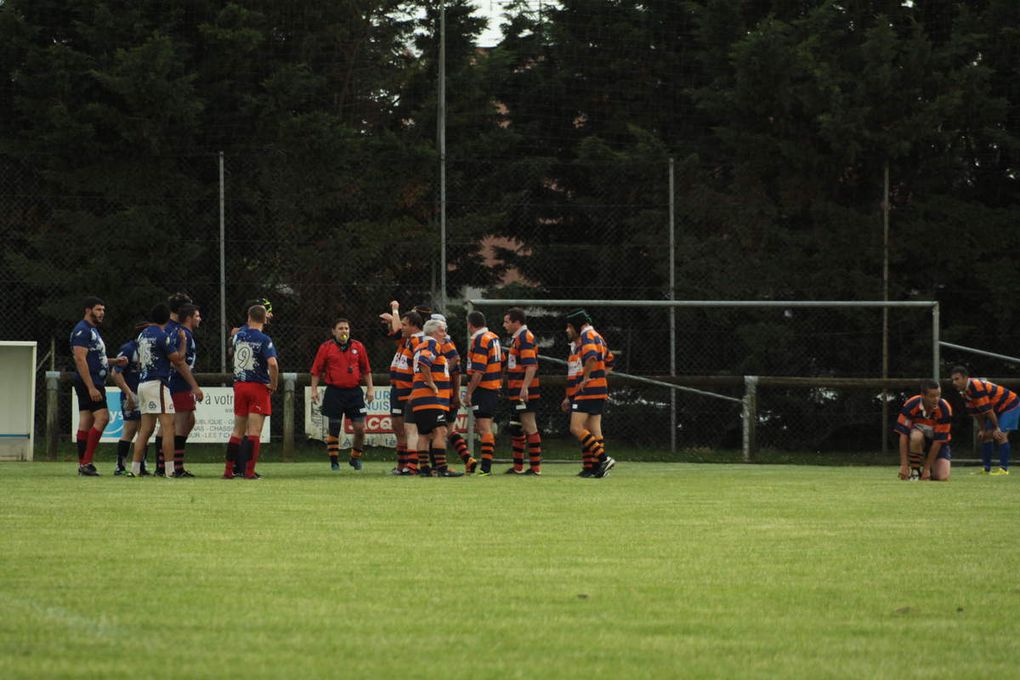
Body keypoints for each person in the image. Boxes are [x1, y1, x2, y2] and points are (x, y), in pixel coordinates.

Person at [128, 304, 203, 477]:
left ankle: (134, 468)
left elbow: (139, 361)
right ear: (166, 318)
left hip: (142, 383)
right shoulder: (162, 336)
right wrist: (183, 342)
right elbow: (178, 359)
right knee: (169, 426)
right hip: (158, 384)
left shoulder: (143, 335)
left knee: (145, 429)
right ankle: (169, 470)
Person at [70, 297, 127, 476]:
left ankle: (83, 465)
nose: (102, 313)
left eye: (103, 310)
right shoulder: (83, 330)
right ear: (88, 310)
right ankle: (86, 462)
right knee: (103, 418)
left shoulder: (91, 330)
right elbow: (80, 359)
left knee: (86, 421)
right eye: (98, 309)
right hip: (91, 382)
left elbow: (94, 358)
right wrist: (91, 387)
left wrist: (113, 361)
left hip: (92, 380)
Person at [223, 304, 279, 480]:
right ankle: (249, 472)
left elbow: (232, 349)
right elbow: (272, 363)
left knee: (237, 431)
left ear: (248, 317)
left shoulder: (238, 336)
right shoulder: (264, 339)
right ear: (264, 319)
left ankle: (228, 471)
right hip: (257, 386)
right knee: (254, 431)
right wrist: (274, 383)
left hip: (240, 385)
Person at [310, 318, 374, 472]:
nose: (344, 331)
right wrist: (313, 390)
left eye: (346, 328)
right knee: (334, 428)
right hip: (334, 391)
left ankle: (355, 458)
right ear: (334, 331)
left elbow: (366, 369)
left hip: (354, 392)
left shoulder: (358, 346)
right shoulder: (326, 347)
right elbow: (316, 370)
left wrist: (370, 389)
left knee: (360, 428)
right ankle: (334, 462)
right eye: (340, 328)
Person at [563, 309, 616, 478]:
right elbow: (610, 360)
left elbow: (592, 357)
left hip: (588, 390)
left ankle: (604, 459)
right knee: (594, 429)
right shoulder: (598, 336)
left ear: (577, 326)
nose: (567, 330)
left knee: (576, 427)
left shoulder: (587, 336)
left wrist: (586, 377)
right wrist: (599, 376)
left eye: (569, 327)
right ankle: (595, 468)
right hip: (599, 389)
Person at [408, 319, 463, 477]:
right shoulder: (433, 344)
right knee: (440, 431)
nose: (444, 334)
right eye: (441, 331)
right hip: (430, 397)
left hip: (420, 396)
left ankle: (425, 469)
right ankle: (442, 469)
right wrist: (431, 383)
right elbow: (424, 362)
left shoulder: (419, 345)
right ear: (432, 332)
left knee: (424, 434)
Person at [380, 303, 424, 474]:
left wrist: (395, 310)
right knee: (398, 426)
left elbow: (397, 330)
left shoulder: (417, 340)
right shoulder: (406, 340)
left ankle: (414, 464)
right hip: (397, 388)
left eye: (405, 324)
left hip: (409, 389)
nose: (400, 328)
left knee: (411, 428)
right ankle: (402, 464)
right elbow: (397, 330)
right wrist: (393, 319)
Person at [950, 366, 1018, 475]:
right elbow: (976, 413)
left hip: (1010, 404)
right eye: (952, 380)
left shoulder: (976, 387)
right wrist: (982, 429)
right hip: (997, 409)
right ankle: (987, 469)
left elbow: (988, 411)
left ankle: (1004, 469)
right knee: (985, 435)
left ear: (966, 378)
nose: (954, 382)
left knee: (1000, 435)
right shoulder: (964, 392)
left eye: (957, 379)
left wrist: (997, 427)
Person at [153, 292, 192, 476]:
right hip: (175, 382)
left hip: (168, 381)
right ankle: (171, 467)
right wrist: (194, 384)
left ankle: (163, 466)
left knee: (181, 421)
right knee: (176, 423)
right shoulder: (176, 330)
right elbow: (178, 361)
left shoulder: (167, 327)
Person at [502, 307, 542, 475]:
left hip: (524, 391)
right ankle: (518, 467)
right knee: (516, 427)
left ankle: (535, 468)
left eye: (507, 322)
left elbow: (531, 365)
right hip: (516, 390)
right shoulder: (517, 338)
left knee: (529, 425)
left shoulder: (525, 337)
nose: (504, 325)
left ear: (517, 323)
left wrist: (524, 387)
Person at [464, 311, 501, 475]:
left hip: (484, 388)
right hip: (493, 387)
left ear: (470, 325)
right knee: (485, 427)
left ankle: (486, 468)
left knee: (484, 427)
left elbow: (479, 370)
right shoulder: (493, 337)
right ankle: (486, 466)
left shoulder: (480, 340)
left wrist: (469, 392)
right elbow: (502, 361)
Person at [167, 303, 202, 477]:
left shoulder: (181, 333)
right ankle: (176, 468)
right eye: (197, 316)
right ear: (188, 318)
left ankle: (172, 464)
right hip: (179, 383)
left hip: (182, 384)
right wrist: (194, 385)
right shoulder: (184, 334)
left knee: (189, 421)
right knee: (180, 425)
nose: (199, 319)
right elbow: (179, 363)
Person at [894, 379, 952, 481]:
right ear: (923, 395)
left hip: (936, 443)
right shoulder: (911, 404)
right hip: (918, 441)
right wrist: (904, 465)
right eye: (932, 396)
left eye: (938, 395)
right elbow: (903, 435)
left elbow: (938, 441)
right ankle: (915, 471)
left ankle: (927, 468)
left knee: (942, 477)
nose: (936, 399)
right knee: (916, 436)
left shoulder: (945, 408)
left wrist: (926, 468)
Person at [110, 333, 145, 475]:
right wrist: (129, 394)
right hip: (132, 394)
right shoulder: (129, 349)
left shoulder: (149, 349)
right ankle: (120, 466)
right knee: (129, 429)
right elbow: (115, 373)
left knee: (144, 430)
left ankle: (141, 465)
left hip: (145, 394)